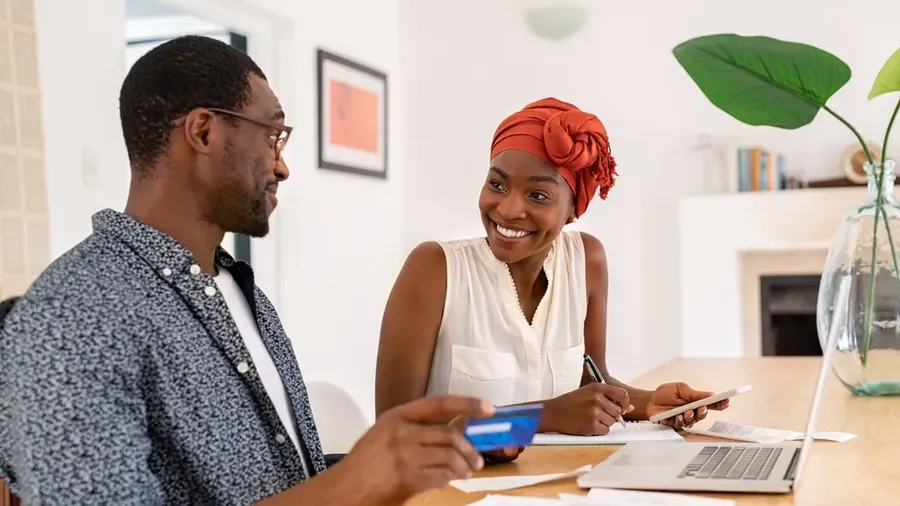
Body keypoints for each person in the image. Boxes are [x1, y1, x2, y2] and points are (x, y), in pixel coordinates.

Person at [0, 35, 494, 506]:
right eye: (273, 135)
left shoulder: (237, 289)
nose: (282, 168)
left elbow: (284, 482)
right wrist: (351, 484)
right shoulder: (68, 318)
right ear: (204, 131)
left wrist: (407, 458)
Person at [375, 98, 729, 457]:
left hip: (554, 482)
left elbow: (590, 376)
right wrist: (543, 416)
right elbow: (394, 440)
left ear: (573, 210)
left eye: (538, 195)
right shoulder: (435, 269)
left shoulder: (586, 260)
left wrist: (647, 403)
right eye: (497, 185)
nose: (509, 209)